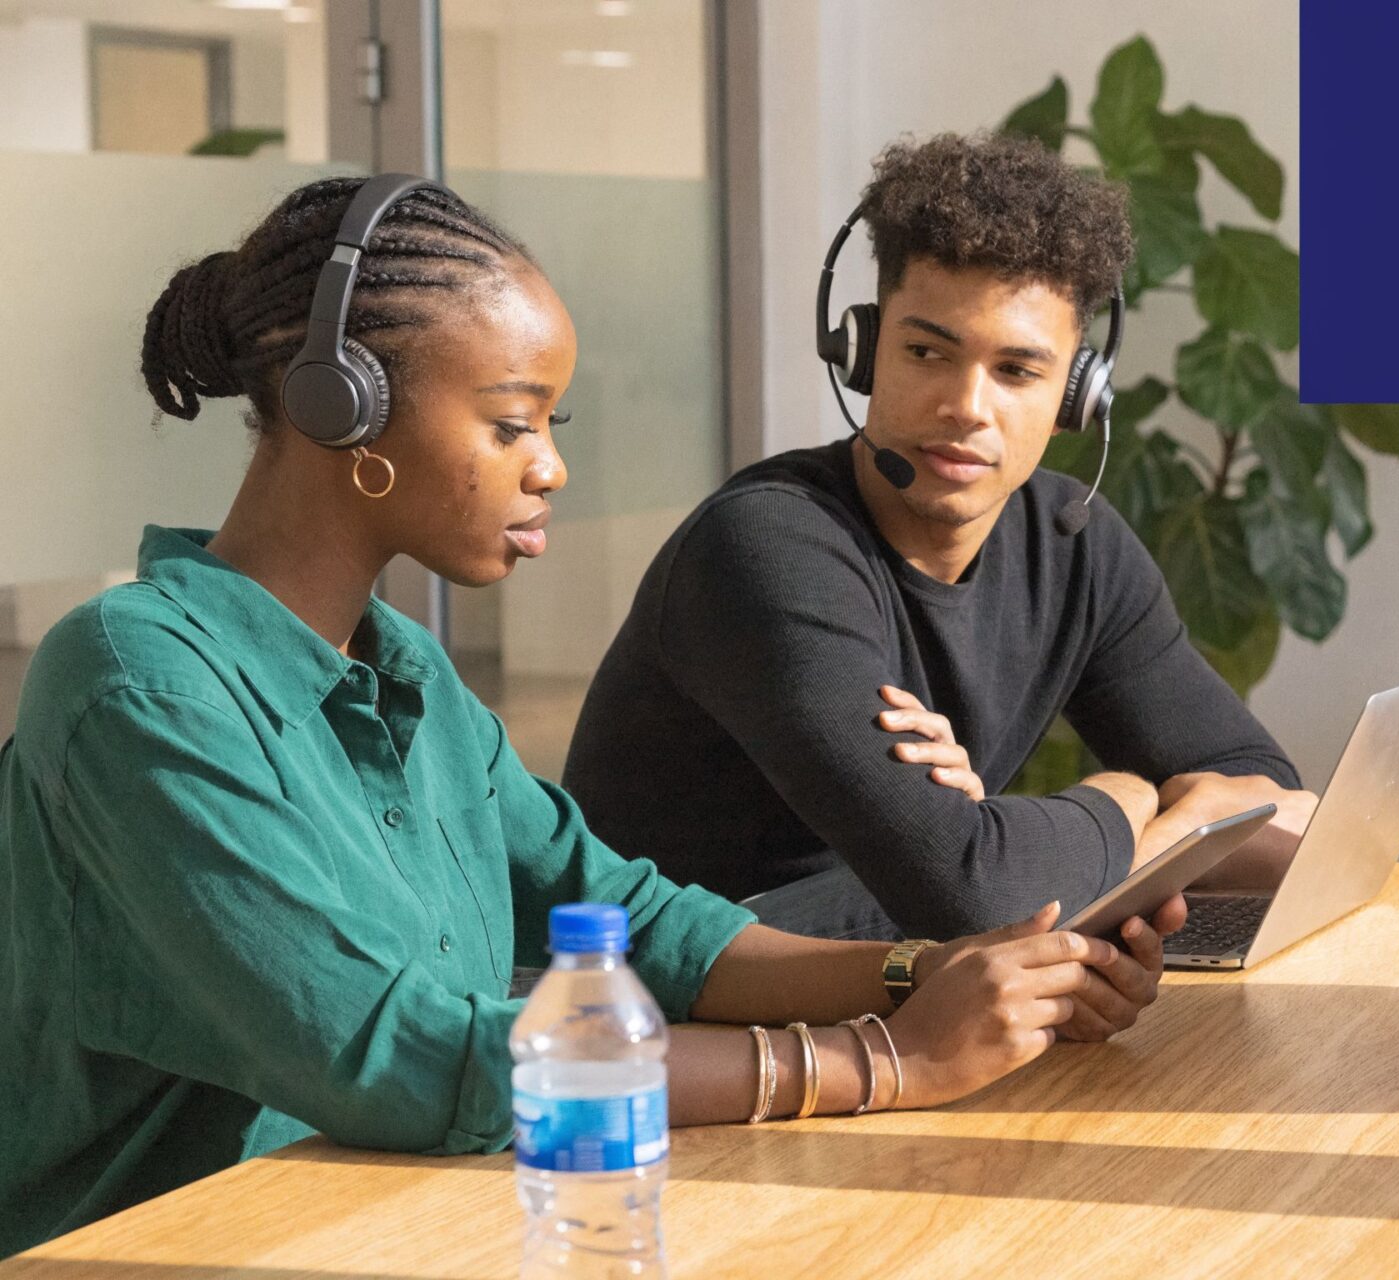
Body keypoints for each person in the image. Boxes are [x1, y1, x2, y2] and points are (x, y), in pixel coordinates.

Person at [0, 175, 1181, 1256]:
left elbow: (635, 919)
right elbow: (400, 1056)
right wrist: (880, 1060)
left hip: (392, 1217)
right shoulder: (138, 684)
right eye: (511, 423)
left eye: (550, 429)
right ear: (339, 409)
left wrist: (939, 971)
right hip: (162, 1244)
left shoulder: (398, 666)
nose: (550, 467)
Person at [562, 132, 1316, 945]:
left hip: (915, 987)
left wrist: (999, 842)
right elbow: (975, 892)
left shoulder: (1072, 544)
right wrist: (1137, 807)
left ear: (1077, 396)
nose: (966, 406)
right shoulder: (765, 548)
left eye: (1017, 372)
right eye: (927, 352)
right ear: (862, 351)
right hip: (674, 1000)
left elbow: (1271, 802)